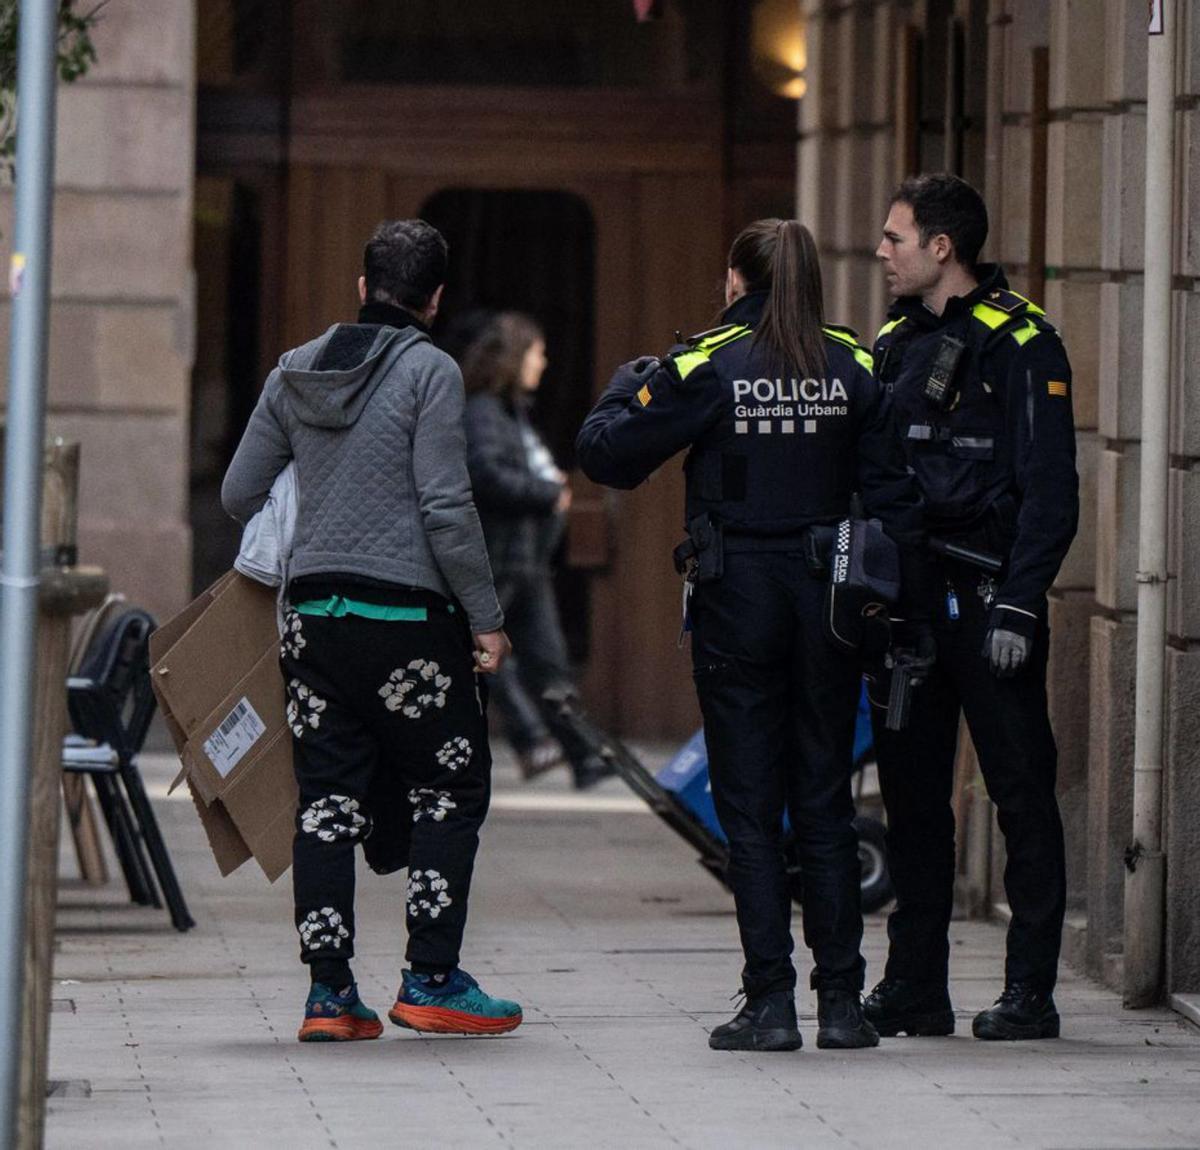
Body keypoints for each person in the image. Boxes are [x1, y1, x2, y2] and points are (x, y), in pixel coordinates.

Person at [576, 219, 929, 1052]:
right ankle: (842, 1004)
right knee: (824, 802)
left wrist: (629, 388)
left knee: (749, 806)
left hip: (739, 600)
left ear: (737, 279)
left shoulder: (707, 362)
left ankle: (769, 1003)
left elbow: (608, 456)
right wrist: (906, 617)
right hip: (833, 602)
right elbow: (896, 499)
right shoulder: (854, 364)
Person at [222, 219, 523, 1043]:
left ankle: (329, 994)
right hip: (409, 623)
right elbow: (445, 505)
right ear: (434, 298)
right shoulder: (431, 370)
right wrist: (487, 620)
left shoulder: (295, 370)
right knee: (448, 788)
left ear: (362, 289)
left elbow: (238, 490)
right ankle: (430, 979)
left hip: (313, 622)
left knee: (325, 800)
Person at [864, 173, 1078, 1041]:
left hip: (989, 598)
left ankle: (1030, 989)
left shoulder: (1025, 344)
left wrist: (1021, 607)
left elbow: (1051, 492)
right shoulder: (893, 340)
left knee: (1021, 795)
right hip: (909, 607)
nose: (882, 252)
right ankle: (916, 984)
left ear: (942, 248)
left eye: (895, 238)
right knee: (913, 803)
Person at [461, 312, 615, 789]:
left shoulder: (510, 411)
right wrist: (545, 494)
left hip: (524, 557)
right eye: (536, 353)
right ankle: (531, 738)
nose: (543, 363)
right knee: (485, 652)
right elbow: (485, 474)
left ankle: (580, 753)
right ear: (515, 358)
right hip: (500, 555)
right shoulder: (484, 412)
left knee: (549, 659)